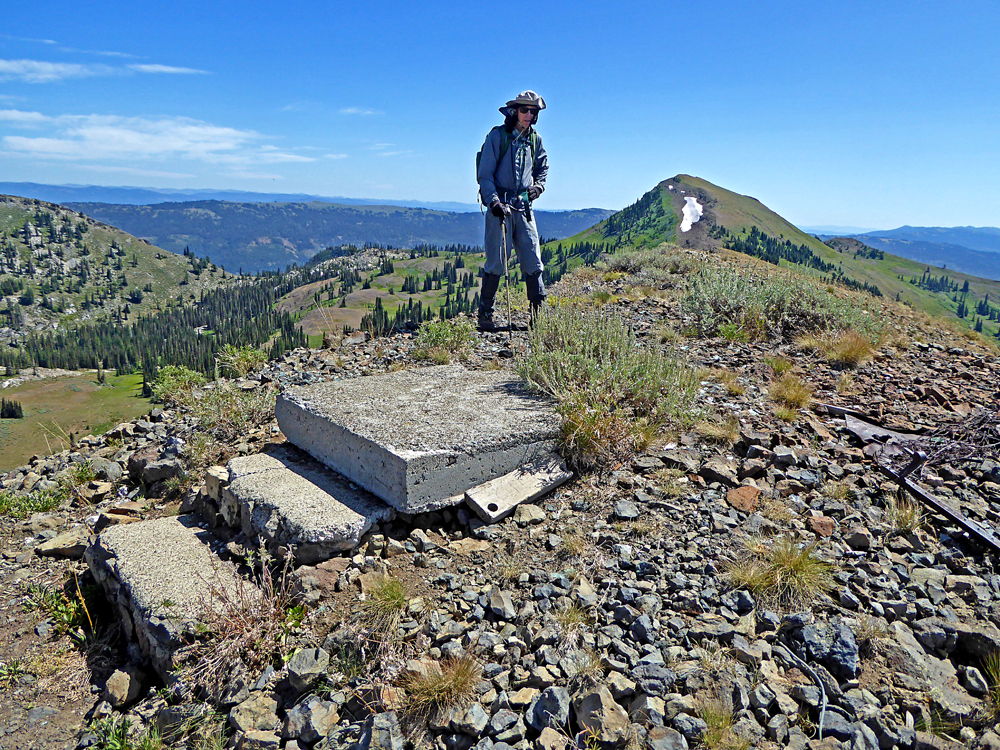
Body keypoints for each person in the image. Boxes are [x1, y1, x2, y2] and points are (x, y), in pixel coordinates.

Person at [476, 90, 549, 332]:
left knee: (533, 260)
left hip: (523, 208)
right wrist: (493, 202)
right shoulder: (498, 137)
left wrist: (537, 187)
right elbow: (485, 175)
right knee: (496, 262)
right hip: (500, 208)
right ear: (514, 111)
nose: (528, 115)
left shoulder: (535, 140)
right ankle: (485, 314)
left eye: (532, 111)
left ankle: (539, 317)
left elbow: (542, 167)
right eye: (524, 110)